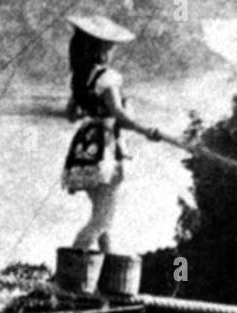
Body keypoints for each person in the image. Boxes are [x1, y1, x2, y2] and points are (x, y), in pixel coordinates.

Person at [61, 15, 162, 255]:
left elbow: (70, 115)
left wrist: (92, 113)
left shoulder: (80, 78)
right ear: (103, 48)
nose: (113, 49)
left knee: (102, 217)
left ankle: (108, 276)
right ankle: (72, 272)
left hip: (85, 148)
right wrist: (145, 130)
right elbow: (118, 114)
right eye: (111, 45)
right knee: (102, 220)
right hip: (105, 149)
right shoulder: (107, 78)